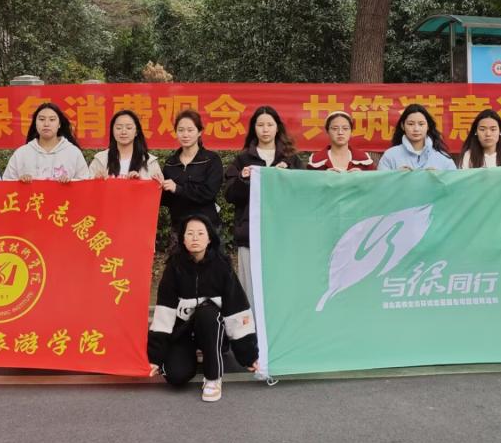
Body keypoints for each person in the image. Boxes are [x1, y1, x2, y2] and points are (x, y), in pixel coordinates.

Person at [147, 214, 258, 402]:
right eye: (190, 233)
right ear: (183, 239)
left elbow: (237, 311)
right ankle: (192, 354)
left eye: (200, 233)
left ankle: (213, 378)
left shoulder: (222, 267)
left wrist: (249, 355)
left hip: (213, 328)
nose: (195, 238)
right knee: (176, 376)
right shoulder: (174, 267)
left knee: (207, 312)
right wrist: (155, 357)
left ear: (209, 238)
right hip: (183, 331)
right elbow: (164, 313)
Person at [225, 105, 302, 302]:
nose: (265, 129)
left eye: (269, 124)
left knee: (280, 287)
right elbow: (230, 195)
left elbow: (302, 193)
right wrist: (243, 179)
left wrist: (289, 176)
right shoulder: (243, 159)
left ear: (277, 128)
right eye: (260, 125)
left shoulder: (291, 159)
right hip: (250, 235)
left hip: (282, 234)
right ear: (254, 128)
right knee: (250, 289)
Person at [160, 110, 224, 232]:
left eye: (190, 130)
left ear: (199, 132)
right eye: (181, 130)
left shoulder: (211, 159)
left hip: (206, 228)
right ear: (176, 132)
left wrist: (178, 189)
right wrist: (155, 185)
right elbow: (167, 200)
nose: (185, 135)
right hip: (179, 228)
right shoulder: (170, 163)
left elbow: (208, 192)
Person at [3, 102, 90, 183]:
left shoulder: (73, 152)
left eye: (52, 120)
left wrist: (70, 182)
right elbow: (6, 183)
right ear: (35, 123)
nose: (46, 124)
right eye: (41, 119)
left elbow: (85, 184)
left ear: (59, 124)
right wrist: (20, 182)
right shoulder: (21, 153)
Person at [377, 104, 456, 171]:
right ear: (402, 126)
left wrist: (439, 178)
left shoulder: (443, 158)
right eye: (410, 124)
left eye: (421, 124)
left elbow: (454, 183)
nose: (416, 129)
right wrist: (396, 176)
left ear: (428, 126)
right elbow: (380, 183)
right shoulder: (390, 156)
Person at [89, 109, 163, 180]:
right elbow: (87, 185)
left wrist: (140, 182)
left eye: (129, 128)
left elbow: (159, 186)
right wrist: (96, 181)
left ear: (136, 132)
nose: (123, 132)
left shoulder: (149, 162)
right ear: (112, 131)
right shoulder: (100, 160)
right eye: (118, 128)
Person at [306, 110, 375, 171]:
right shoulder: (315, 161)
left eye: (345, 128)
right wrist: (324, 177)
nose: (340, 132)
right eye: (335, 128)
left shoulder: (364, 159)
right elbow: (309, 181)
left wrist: (362, 177)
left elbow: (375, 180)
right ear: (327, 131)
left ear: (351, 132)